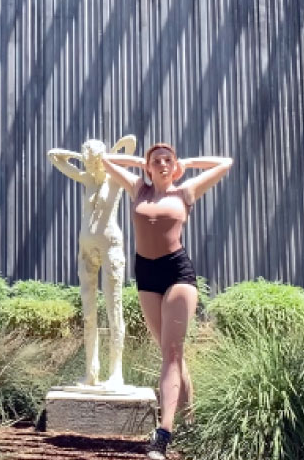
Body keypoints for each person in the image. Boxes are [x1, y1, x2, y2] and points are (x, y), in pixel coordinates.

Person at [100, 142, 234, 459]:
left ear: (174, 166)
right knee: (169, 353)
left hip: (177, 273)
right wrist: (143, 162)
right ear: (147, 167)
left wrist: (185, 162)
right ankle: (192, 419)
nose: (162, 164)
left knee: (172, 353)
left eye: (167, 160)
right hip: (146, 275)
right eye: (156, 160)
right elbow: (106, 160)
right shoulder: (138, 188)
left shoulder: (185, 192)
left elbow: (225, 162)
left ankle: (164, 433)